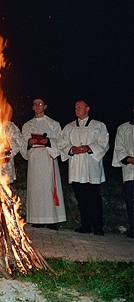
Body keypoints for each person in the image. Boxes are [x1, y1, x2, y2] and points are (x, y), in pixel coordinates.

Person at [60, 99, 109, 236]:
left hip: (91, 167)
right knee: (81, 198)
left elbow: (104, 143)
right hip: (76, 168)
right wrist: (71, 149)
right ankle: (86, 225)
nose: (76, 109)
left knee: (94, 198)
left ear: (87, 108)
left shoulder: (98, 126)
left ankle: (98, 227)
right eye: (75, 107)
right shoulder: (69, 127)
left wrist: (89, 148)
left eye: (79, 107)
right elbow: (62, 143)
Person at [20, 98, 66, 230]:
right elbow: (23, 143)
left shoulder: (53, 124)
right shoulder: (27, 125)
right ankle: (37, 219)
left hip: (47, 157)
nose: (37, 106)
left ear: (45, 106)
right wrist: (29, 142)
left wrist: (48, 141)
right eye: (35, 104)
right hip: (34, 159)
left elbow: (61, 142)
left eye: (40, 104)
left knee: (49, 187)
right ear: (32, 107)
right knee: (36, 189)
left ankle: (52, 220)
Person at [112, 106, 134, 238]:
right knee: (131, 202)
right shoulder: (123, 128)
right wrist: (130, 159)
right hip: (130, 171)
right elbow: (119, 147)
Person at [2, 120, 22, 185]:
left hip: (6, 165)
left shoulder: (9, 125)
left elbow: (19, 141)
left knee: (4, 190)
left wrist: (9, 152)